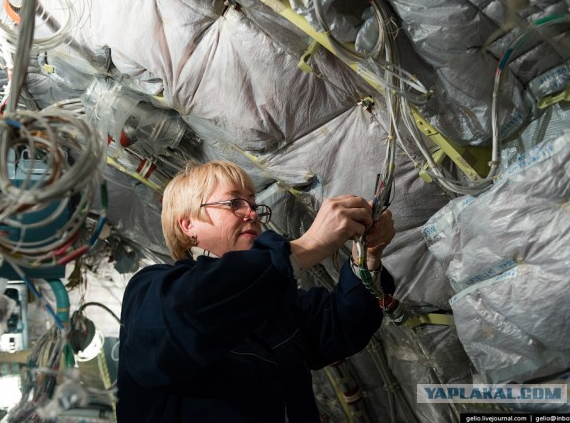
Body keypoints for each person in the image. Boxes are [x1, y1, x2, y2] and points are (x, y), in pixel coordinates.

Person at [117, 160, 396, 422]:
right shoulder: (151, 291)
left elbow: (340, 325)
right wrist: (307, 246)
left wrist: (366, 258)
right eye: (234, 203)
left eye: (253, 204)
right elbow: (190, 310)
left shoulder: (276, 306)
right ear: (188, 224)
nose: (251, 213)